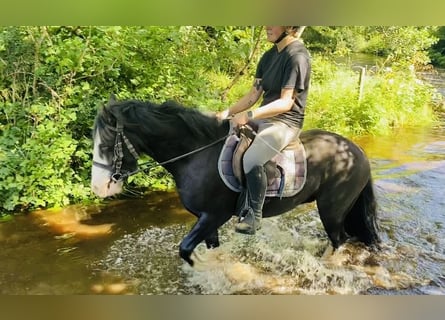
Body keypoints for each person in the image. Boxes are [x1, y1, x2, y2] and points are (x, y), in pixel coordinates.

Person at [217, 26, 311, 235]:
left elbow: (286, 103)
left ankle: (254, 214)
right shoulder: (269, 56)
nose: (267, 26)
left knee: (251, 159)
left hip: (285, 122)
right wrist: (226, 112)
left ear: (289, 26)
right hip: (263, 118)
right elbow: (253, 96)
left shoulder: (297, 57)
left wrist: (249, 116)